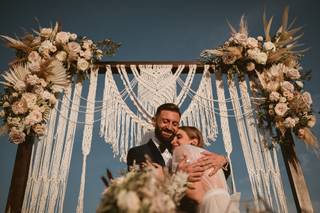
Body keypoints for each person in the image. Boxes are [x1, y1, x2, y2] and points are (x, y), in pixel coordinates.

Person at [126, 103, 229, 177]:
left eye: (175, 124)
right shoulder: (137, 153)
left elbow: (213, 176)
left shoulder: (184, 148)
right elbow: (141, 188)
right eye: (165, 121)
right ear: (154, 121)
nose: (169, 127)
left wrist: (223, 161)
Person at [172, 126, 232, 213]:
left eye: (179, 137)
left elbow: (196, 195)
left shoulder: (182, 153)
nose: (173, 141)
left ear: (193, 142)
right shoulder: (210, 159)